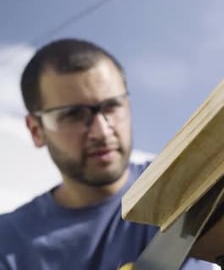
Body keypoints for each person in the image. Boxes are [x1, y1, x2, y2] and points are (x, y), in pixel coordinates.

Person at [0, 39, 210, 270]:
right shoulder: (8, 244)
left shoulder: (188, 185)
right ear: (36, 130)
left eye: (112, 106)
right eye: (73, 115)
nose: (101, 131)